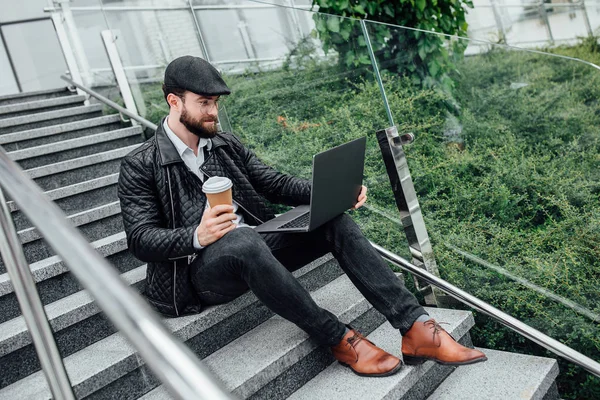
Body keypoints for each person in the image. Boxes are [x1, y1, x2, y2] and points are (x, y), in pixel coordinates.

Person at [117, 55, 486, 377]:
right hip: (198, 274)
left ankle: (417, 329)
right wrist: (197, 235)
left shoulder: (224, 144)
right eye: (204, 103)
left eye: (215, 102)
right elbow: (141, 239)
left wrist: (333, 193)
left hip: (255, 251)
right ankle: (339, 339)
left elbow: (273, 183)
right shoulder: (140, 164)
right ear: (173, 101)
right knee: (243, 240)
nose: (213, 112)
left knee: (333, 220)